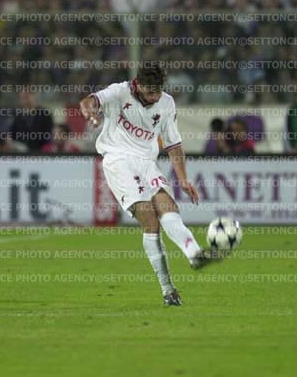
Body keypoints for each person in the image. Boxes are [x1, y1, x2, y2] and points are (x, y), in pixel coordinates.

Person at [79, 62, 223, 306]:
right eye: (150, 92)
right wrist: (91, 113)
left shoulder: (166, 103)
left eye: (158, 91)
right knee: (150, 220)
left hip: (147, 162)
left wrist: (183, 178)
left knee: (168, 206)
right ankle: (168, 290)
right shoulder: (119, 92)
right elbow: (88, 101)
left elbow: (173, 144)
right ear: (138, 85)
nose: (155, 97)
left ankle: (194, 254)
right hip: (118, 160)